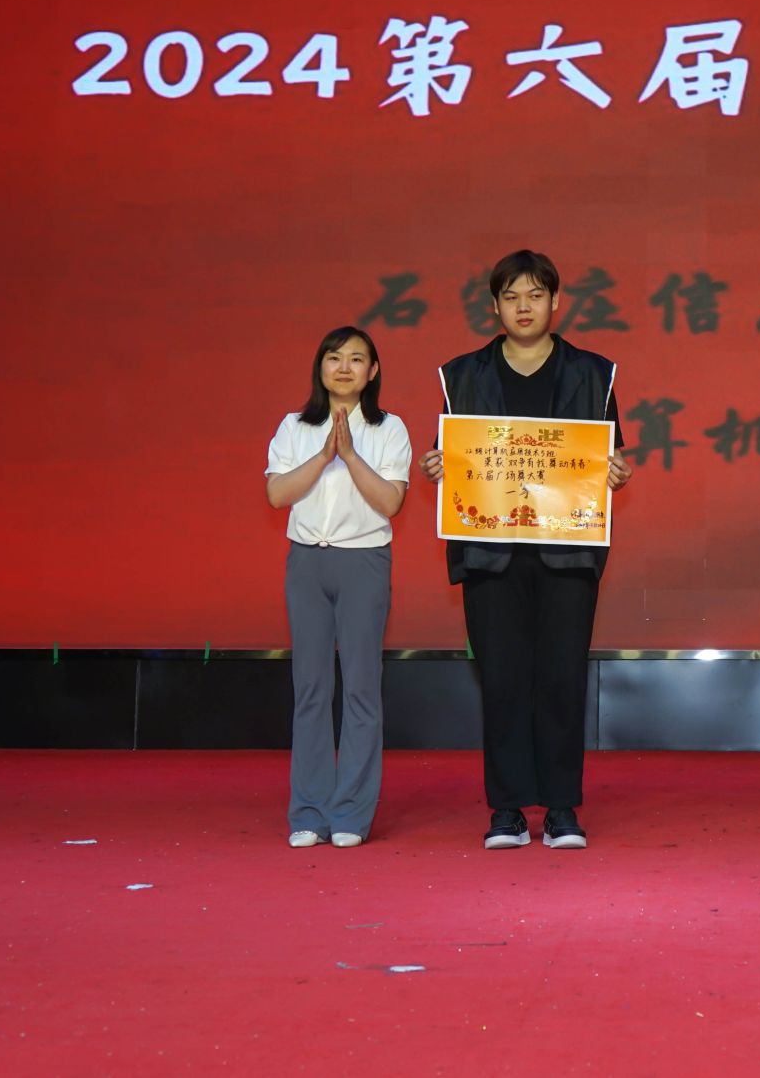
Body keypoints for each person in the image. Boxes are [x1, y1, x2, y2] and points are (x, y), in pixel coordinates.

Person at [420, 250, 631, 850]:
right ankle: (507, 810)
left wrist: (616, 473)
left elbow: (610, 455)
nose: (523, 307)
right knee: (503, 678)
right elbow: (453, 453)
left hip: (567, 549)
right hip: (492, 551)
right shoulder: (463, 374)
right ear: (494, 306)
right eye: (511, 297)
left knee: (562, 676)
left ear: (555, 302)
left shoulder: (594, 373)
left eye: (535, 295)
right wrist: (439, 467)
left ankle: (562, 808)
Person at [265, 326, 412, 850]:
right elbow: (277, 494)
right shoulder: (294, 426)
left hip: (363, 562)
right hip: (307, 563)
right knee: (310, 688)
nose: (344, 368)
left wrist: (349, 455)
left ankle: (351, 811)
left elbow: (390, 502)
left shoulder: (389, 428)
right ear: (320, 368)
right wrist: (323, 454)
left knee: (360, 688)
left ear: (373, 371)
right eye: (334, 358)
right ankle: (308, 811)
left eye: (356, 359)